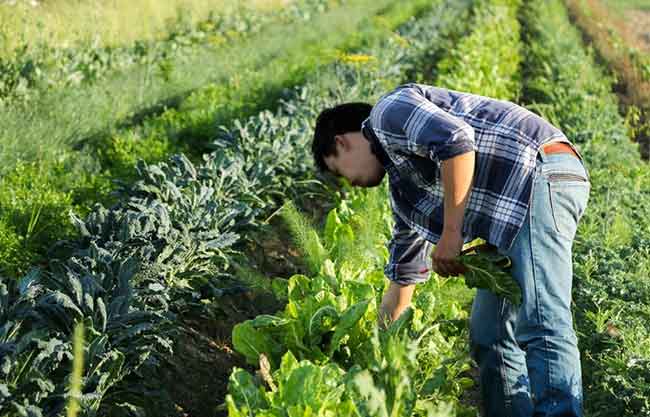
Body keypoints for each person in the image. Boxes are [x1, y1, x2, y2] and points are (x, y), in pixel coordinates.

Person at [311, 83, 590, 417]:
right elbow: (403, 277)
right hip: (512, 207)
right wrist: (376, 359)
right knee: (490, 336)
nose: (348, 182)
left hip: (539, 174)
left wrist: (451, 233)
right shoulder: (404, 194)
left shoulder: (387, 113)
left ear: (341, 142)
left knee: (541, 319)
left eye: (337, 169)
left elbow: (456, 142)